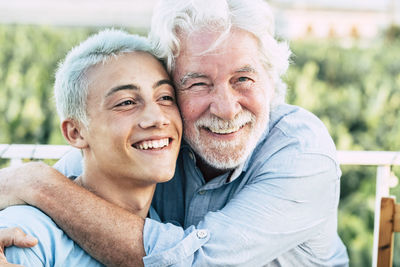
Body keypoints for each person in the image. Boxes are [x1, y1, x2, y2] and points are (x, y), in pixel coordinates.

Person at [0, 0, 349, 266]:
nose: (226, 108)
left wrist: (36, 183)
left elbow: (195, 261)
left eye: (243, 79)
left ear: (270, 82)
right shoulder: (155, 143)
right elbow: (80, 174)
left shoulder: (302, 152)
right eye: (198, 83)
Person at [0, 29, 182, 266]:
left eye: (165, 97)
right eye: (126, 102)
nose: (158, 118)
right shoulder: (26, 237)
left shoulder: (171, 236)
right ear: (75, 132)